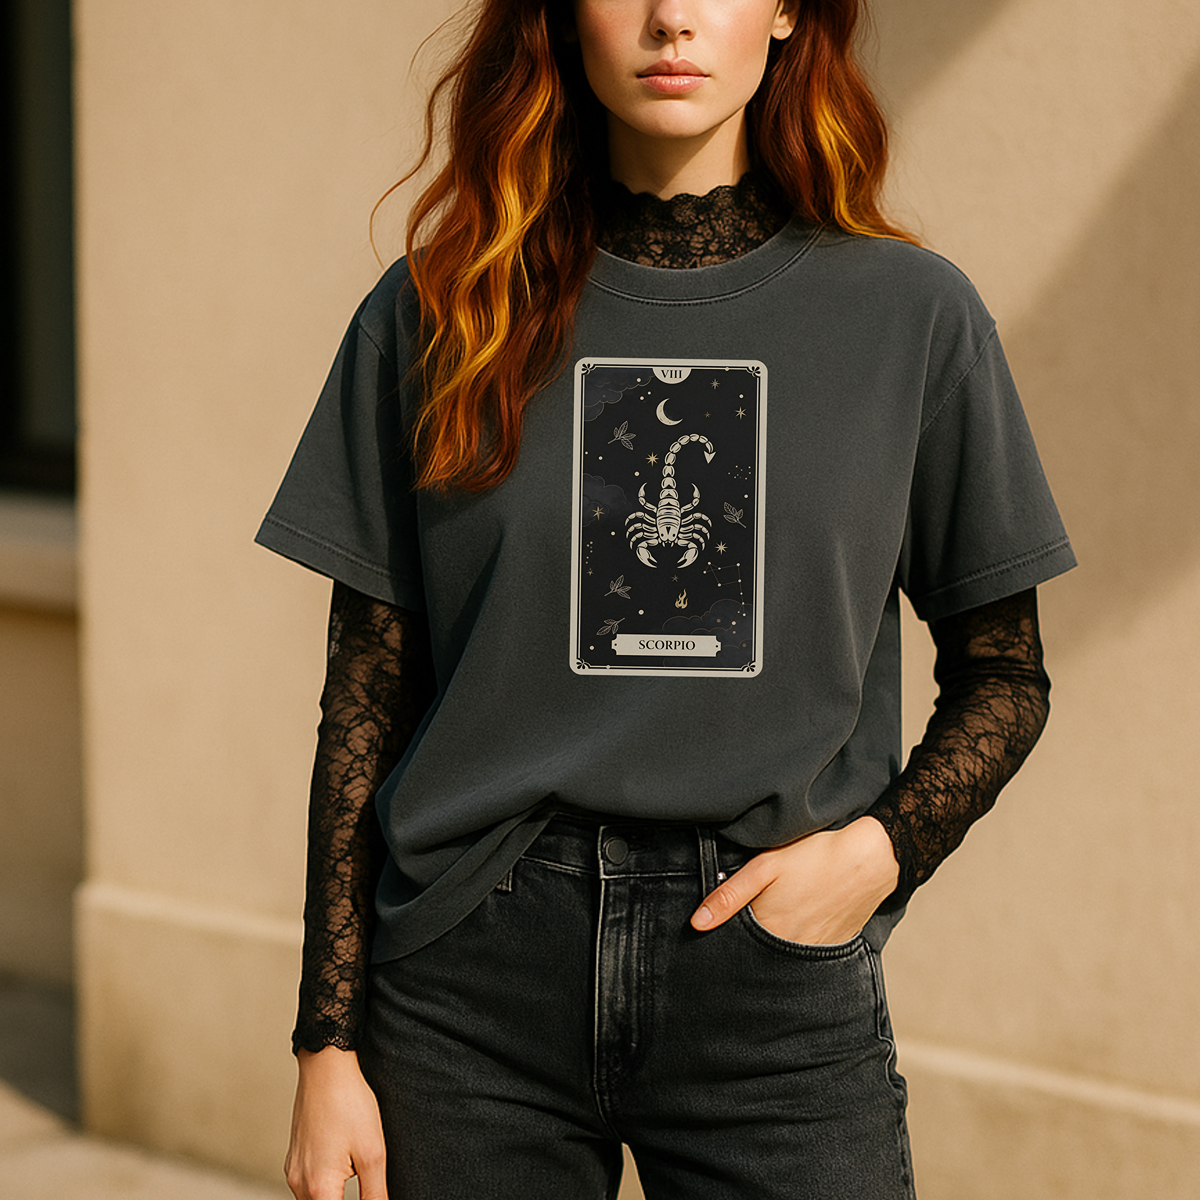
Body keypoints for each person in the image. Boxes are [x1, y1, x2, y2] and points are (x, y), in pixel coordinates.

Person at [258, 1, 1076, 1197]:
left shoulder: (912, 317)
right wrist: (326, 1044)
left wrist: (878, 854)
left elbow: (1006, 671)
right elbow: (367, 698)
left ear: (789, 12)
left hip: (769, 986)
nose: (671, 18)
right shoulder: (438, 308)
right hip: (472, 984)